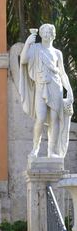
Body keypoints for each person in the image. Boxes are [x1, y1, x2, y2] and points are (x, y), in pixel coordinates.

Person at [19, 23, 74, 159]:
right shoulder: (35, 49)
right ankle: (35, 148)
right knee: (41, 118)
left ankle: (51, 151)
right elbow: (24, 60)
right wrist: (27, 43)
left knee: (54, 120)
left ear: (53, 35)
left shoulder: (57, 53)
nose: (47, 34)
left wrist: (69, 90)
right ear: (41, 34)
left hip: (56, 87)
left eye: (50, 32)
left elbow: (62, 73)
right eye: (45, 32)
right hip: (41, 86)